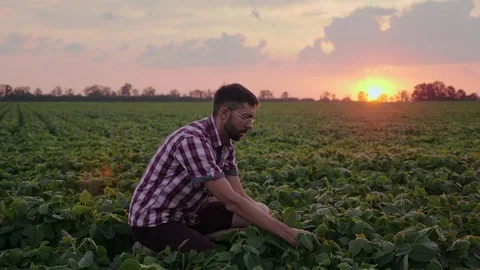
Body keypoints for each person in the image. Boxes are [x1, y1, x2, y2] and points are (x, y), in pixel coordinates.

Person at [128, 83, 311, 253]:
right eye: (246, 117)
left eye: (252, 120)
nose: (249, 126)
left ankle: (194, 239)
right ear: (224, 113)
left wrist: (276, 225)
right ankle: (151, 246)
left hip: (189, 214)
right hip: (155, 221)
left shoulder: (226, 144)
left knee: (261, 210)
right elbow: (231, 200)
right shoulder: (192, 141)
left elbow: (239, 194)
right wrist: (288, 234)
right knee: (212, 257)